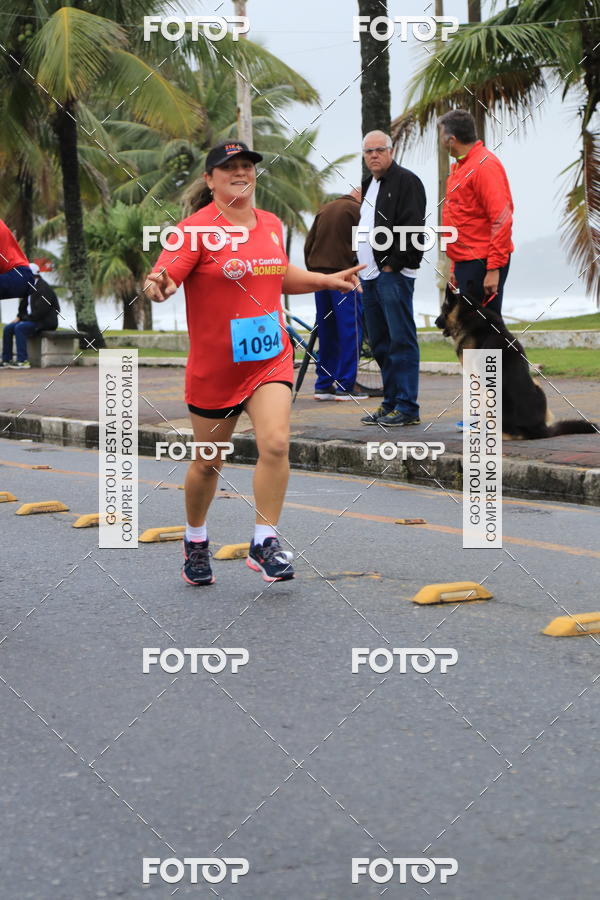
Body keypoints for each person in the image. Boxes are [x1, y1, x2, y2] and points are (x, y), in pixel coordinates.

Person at [144, 140, 363, 587]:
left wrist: (325, 279)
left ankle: (265, 541)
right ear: (210, 180)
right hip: (216, 367)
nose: (241, 173)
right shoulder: (194, 231)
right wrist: (159, 286)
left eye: (247, 166)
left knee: (277, 443)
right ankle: (196, 540)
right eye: (229, 168)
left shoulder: (269, 224)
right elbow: (166, 275)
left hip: (269, 359)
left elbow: (277, 273)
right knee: (208, 461)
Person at [357, 131, 427, 427]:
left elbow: (413, 227)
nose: (374, 155)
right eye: (368, 151)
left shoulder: (406, 181)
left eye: (379, 150)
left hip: (393, 275)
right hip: (369, 275)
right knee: (381, 343)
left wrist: (393, 265)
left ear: (391, 150)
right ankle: (390, 403)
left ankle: (408, 406)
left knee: (401, 340)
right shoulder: (369, 184)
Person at [438, 108, 514, 316]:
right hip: (466, 262)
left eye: (441, 136)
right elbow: (460, 221)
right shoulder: (460, 167)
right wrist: (455, 267)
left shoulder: (484, 166)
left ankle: (494, 352)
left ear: (451, 139)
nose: (440, 142)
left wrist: (493, 269)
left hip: (482, 262)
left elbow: (501, 219)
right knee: (473, 327)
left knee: (484, 327)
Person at [304, 188, 367, 401]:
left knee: (327, 331)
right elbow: (366, 244)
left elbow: (308, 244)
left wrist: (314, 274)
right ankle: (345, 385)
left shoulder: (325, 209)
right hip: (344, 278)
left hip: (320, 277)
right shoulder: (358, 211)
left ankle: (323, 384)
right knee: (350, 331)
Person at [1, 263, 59, 369]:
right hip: (32, 320)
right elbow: (23, 307)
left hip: (45, 322)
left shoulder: (43, 288)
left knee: (20, 328)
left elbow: (41, 312)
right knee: (8, 328)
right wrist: (19, 317)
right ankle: (6, 360)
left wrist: (23, 320)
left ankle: (23, 361)